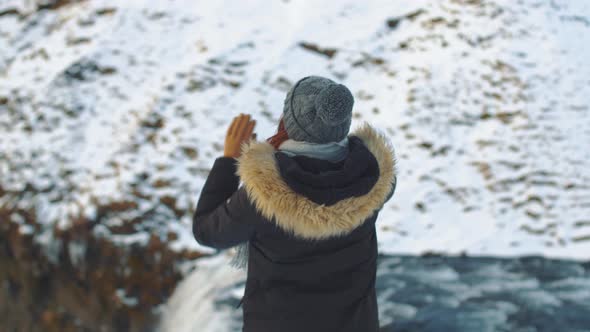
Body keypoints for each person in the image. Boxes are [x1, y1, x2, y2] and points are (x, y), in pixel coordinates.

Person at [192, 75, 397, 332]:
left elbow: (206, 232)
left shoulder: (264, 196)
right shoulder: (373, 178)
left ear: (288, 122)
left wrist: (228, 160)